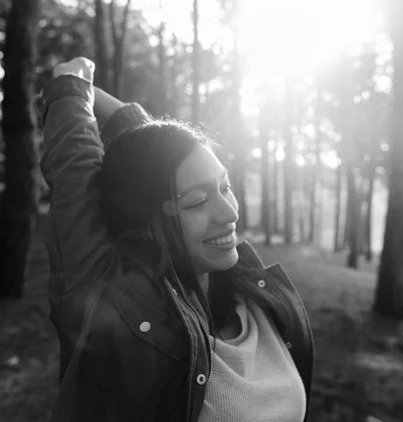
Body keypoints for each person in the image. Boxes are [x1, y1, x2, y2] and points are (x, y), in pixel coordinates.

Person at [39, 57, 314, 422]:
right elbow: (78, 174)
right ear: (145, 219)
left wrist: (92, 92)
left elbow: (160, 157)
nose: (230, 213)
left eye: (225, 188)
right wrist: (70, 91)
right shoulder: (121, 312)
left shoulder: (259, 297)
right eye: (199, 201)